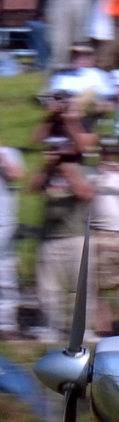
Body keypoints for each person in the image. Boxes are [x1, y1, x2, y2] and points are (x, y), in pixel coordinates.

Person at [32, 136, 95, 337]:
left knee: (81, 289)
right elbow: (32, 188)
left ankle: (83, 329)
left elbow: (86, 194)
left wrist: (68, 171)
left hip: (75, 237)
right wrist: (48, 168)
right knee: (48, 289)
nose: (56, 153)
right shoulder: (48, 173)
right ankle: (51, 327)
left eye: (59, 149)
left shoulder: (83, 171)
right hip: (50, 239)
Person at [91, 137, 119, 337]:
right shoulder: (93, 174)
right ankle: (103, 327)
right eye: (106, 152)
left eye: (112, 152)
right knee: (98, 285)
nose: (109, 156)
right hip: (101, 233)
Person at [0, 132, 20, 339]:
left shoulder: (10, 153)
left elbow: (15, 175)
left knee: (4, 274)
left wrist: (2, 155)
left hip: (3, 222)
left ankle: (7, 325)